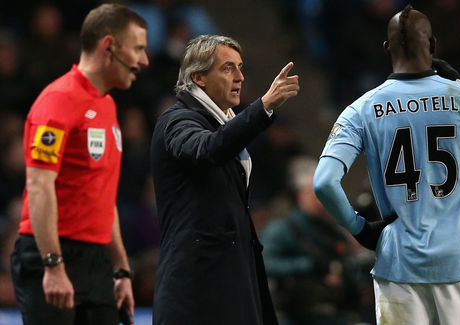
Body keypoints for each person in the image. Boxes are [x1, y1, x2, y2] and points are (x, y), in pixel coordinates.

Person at [313, 5, 460, 325]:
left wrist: (359, 230)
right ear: (433, 45)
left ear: (387, 49)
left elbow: (323, 182)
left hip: (398, 263)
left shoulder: (360, 109)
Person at [10, 4, 148, 325]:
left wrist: (121, 269)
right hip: (53, 255)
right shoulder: (58, 100)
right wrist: (53, 266)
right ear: (109, 46)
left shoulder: (109, 106)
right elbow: (39, 184)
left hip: (96, 261)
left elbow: (104, 197)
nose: (144, 61)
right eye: (138, 48)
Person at [150, 34, 299, 325]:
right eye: (228, 68)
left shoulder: (223, 121)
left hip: (230, 280)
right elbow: (208, 149)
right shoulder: (176, 121)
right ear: (199, 78)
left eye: (241, 67)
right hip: (198, 288)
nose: (240, 77)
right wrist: (264, 105)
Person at [260, 156, 361, 325]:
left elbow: (350, 270)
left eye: (323, 194)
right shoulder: (283, 230)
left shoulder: (333, 232)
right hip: (294, 315)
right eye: (313, 194)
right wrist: (309, 265)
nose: (319, 200)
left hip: (334, 314)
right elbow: (264, 264)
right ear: (300, 195)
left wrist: (342, 273)